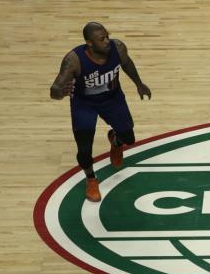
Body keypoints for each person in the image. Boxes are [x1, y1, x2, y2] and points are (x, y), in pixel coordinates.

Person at [49, 22, 152, 202]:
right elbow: (55, 90)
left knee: (129, 138)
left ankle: (116, 140)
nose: (107, 41)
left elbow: (126, 63)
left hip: (112, 98)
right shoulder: (74, 60)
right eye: (102, 39)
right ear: (89, 43)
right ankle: (91, 179)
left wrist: (139, 84)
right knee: (84, 149)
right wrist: (59, 93)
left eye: (107, 36)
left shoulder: (117, 47)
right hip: (84, 104)